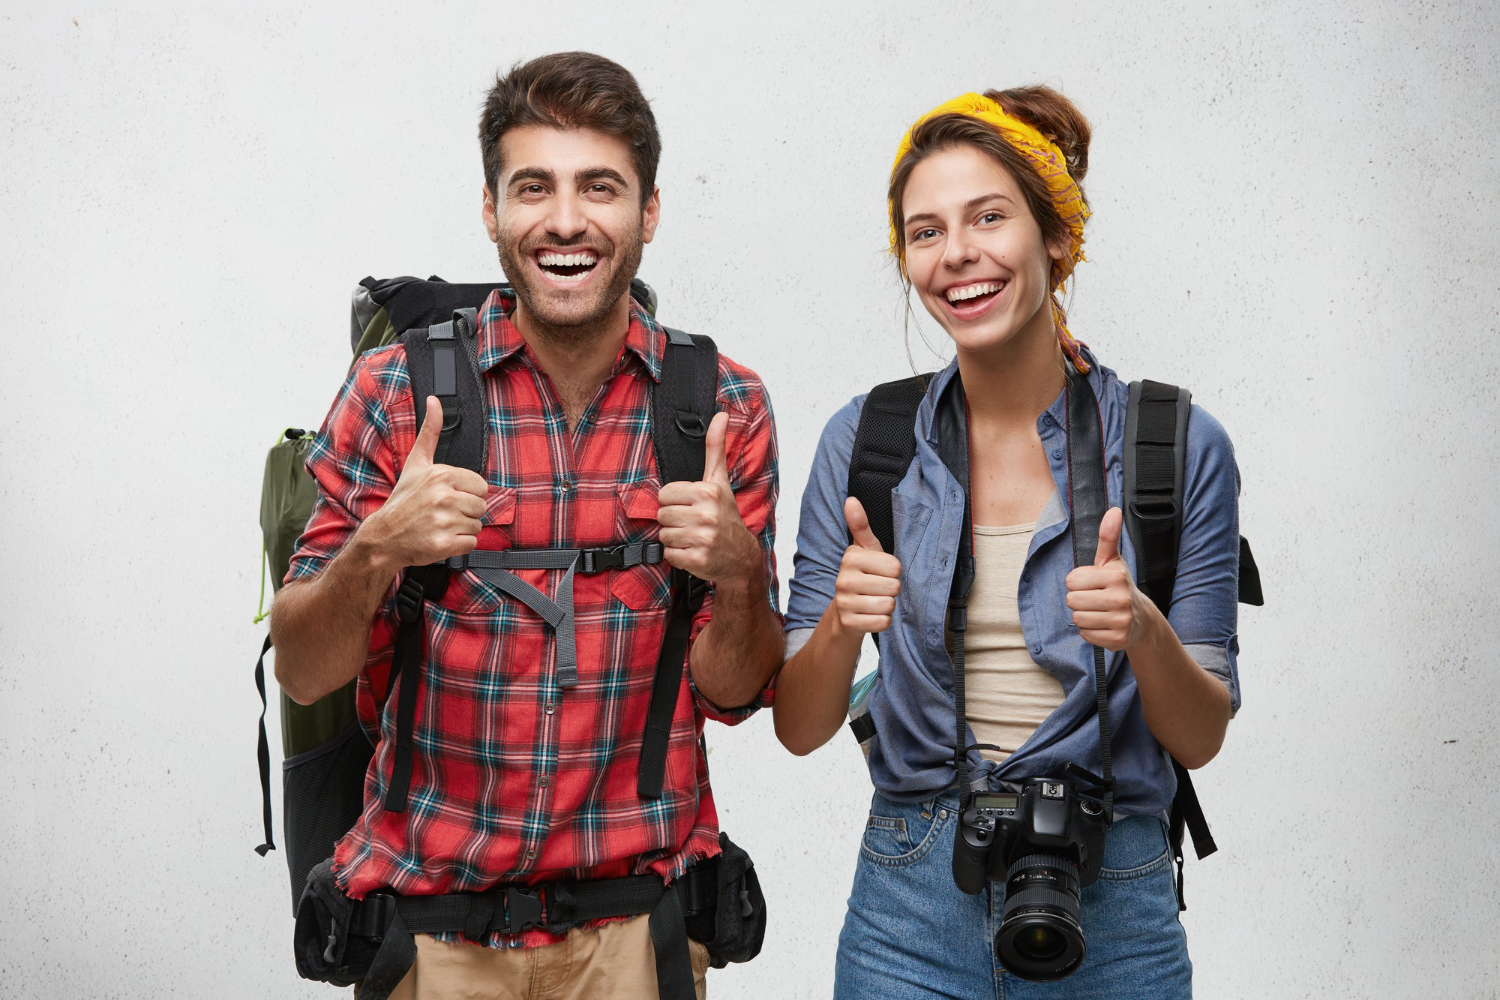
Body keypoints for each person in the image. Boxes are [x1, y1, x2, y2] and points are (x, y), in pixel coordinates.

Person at [270, 51, 783, 1000]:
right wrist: (380, 546)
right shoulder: (396, 394)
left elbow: (735, 693)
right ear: (492, 211)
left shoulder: (718, 406)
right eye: (532, 187)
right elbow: (302, 669)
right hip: (433, 936)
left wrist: (742, 575)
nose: (565, 220)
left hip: (637, 932)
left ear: (649, 212)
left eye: (601, 187)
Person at [774, 88, 1243, 998]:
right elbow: (799, 729)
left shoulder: (1177, 445)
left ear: (1056, 239)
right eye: (925, 231)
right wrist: (839, 624)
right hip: (909, 897)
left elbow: (1202, 736)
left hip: (1114, 890)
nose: (957, 254)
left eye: (990, 216)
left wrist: (1143, 631)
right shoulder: (866, 441)